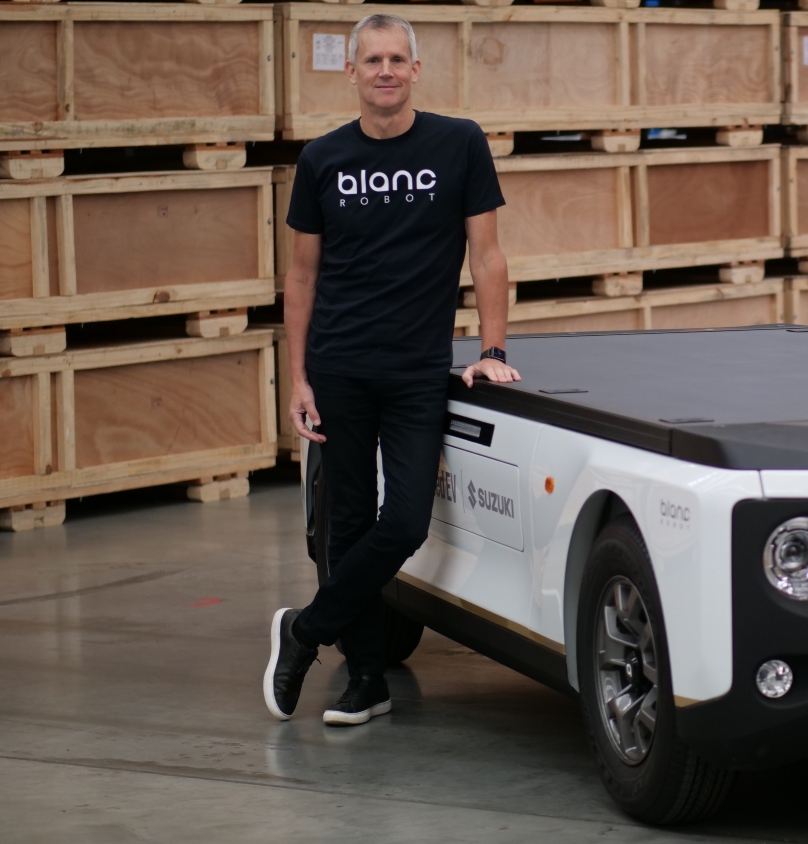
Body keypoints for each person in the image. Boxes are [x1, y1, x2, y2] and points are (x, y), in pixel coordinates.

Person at [263, 13, 519, 726]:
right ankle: (366, 678)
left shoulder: (458, 142)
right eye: (370, 59)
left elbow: (488, 256)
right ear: (351, 72)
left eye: (396, 59)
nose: (384, 70)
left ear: (414, 70)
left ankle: (306, 630)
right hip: (340, 368)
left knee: (404, 520)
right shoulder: (322, 159)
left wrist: (491, 352)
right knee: (347, 525)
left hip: (415, 369)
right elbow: (302, 277)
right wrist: (300, 378)